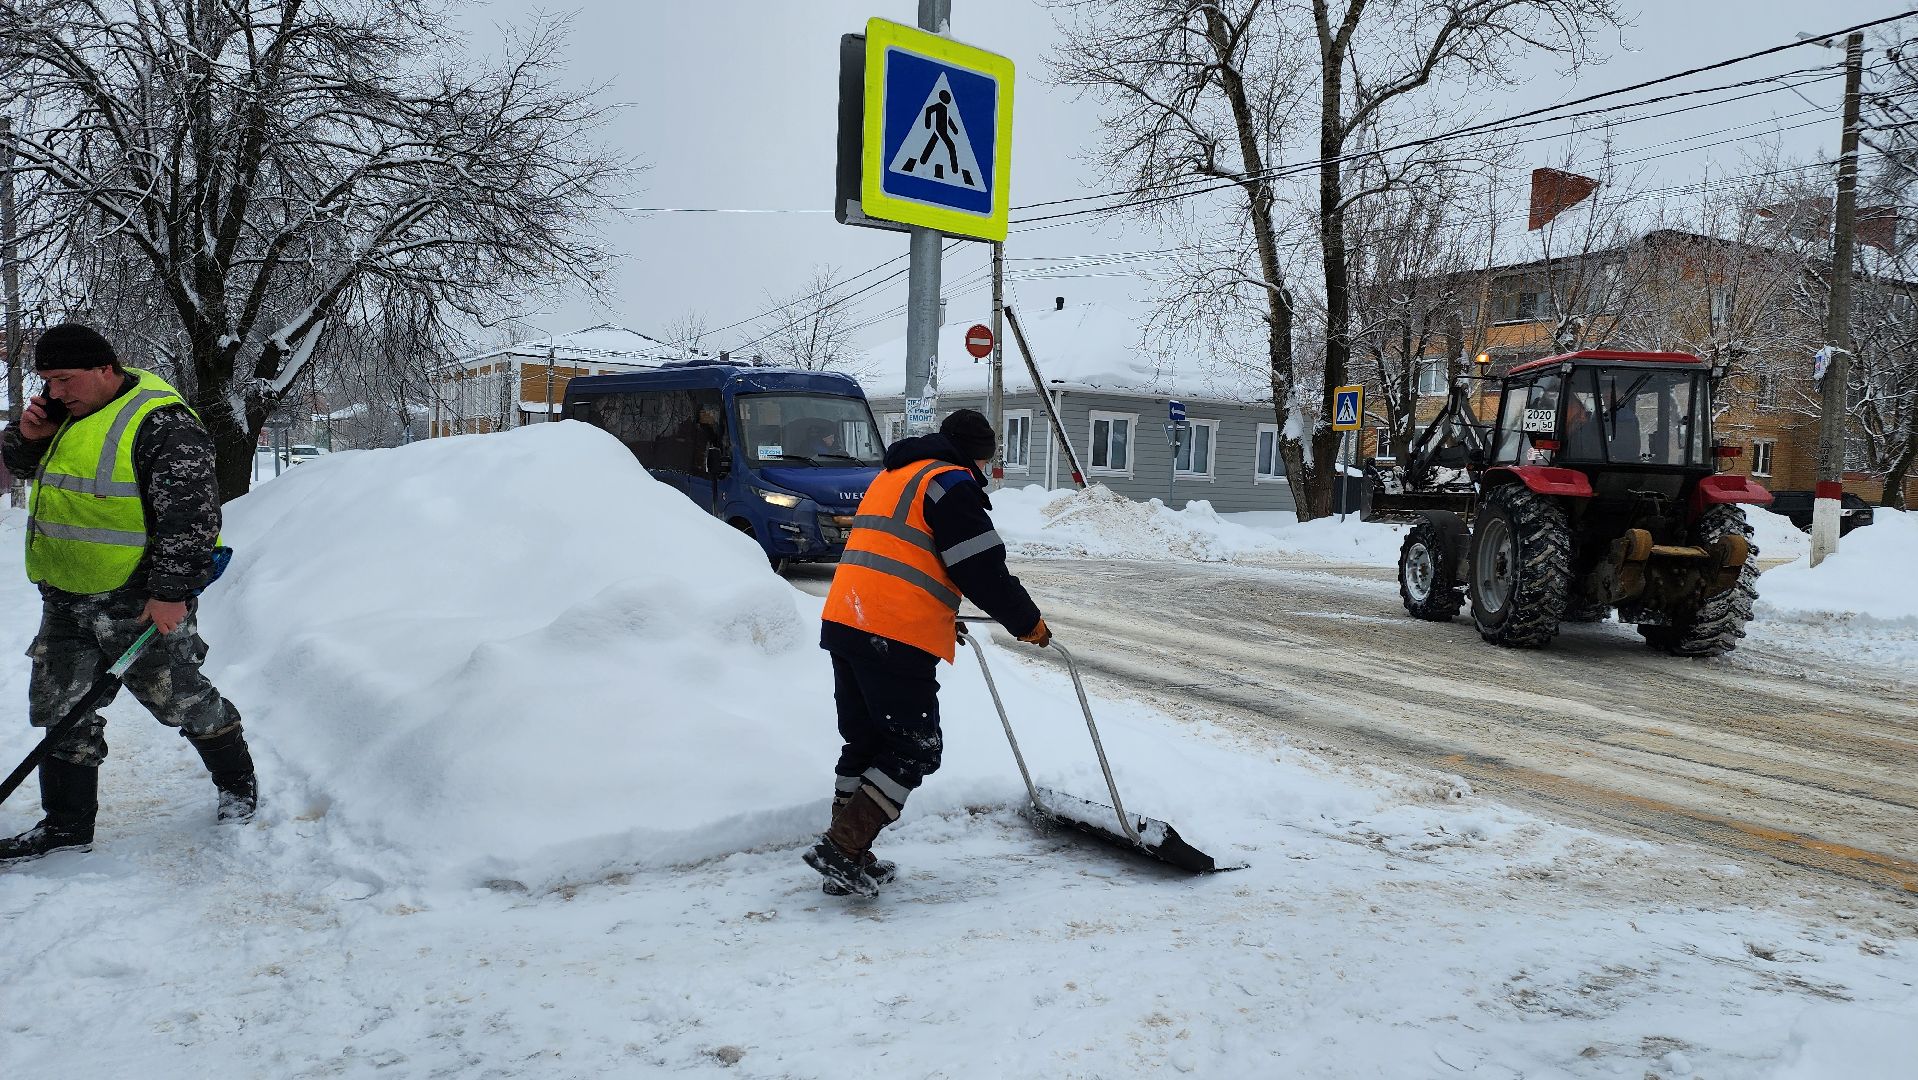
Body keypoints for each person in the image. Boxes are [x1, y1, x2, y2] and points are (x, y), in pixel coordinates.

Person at [0, 323, 255, 866]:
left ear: (105, 369)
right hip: (65, 595)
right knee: (61, 708)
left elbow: (191, 519)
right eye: (48, 381)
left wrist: (170, 593)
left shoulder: (162, 424)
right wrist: (28, 436)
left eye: (65, 379)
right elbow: (22, 470)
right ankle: (66, 828)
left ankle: (239, 786)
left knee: (179, 697)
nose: (55, 391)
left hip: (137, 600)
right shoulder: (66, 415)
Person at [806, 409, 1049, 898]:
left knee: (866, 743)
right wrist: (1027, 622)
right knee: (915, 748)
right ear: (980, 456)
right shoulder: (950, 483)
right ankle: (841, 849)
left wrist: (937, 612)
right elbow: (980, 568)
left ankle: (848, 856)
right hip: (891, 631)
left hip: (847, 619)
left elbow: (900, 555)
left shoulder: (896, 476)